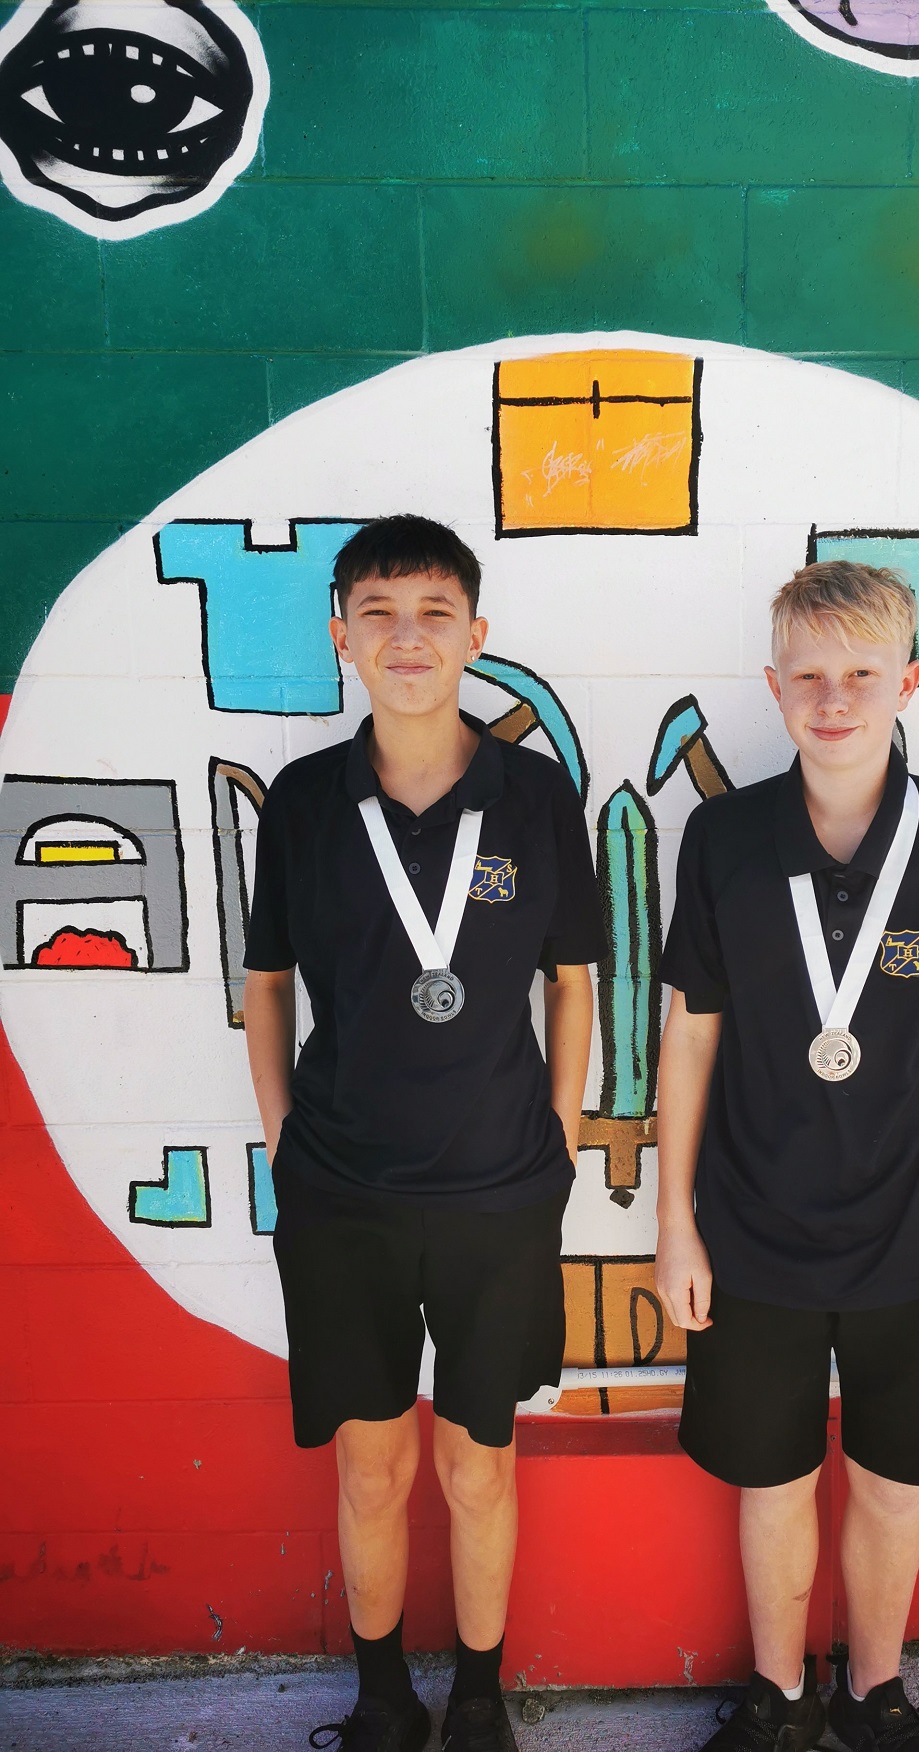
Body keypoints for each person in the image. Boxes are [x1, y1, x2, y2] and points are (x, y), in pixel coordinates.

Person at [656, 560, 919, 1752]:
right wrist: (675, 1221)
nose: (835, 700)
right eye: (810, 677)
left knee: (888, 1481)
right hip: (755, 1230)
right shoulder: (720, 838)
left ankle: (874, 1694)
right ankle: (776, 1697)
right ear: (775, 689)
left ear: (909, 682)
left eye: (862, 674)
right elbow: (690, 1036)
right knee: (771, 1481)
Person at [243, 515, 604, 1752]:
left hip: (501, 1192)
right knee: (370, 1468)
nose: (409, 637)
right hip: (341, 1195)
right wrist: (287, 1138)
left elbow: (573, 982)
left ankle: (484, 1700)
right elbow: (267, 982)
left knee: (478, 1464)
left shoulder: (538, 795)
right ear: (341, 634)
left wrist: (556, 1139)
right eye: (380, 611)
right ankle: (385, 1698)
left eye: (435, 612)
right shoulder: (300, 801)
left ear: (476, 637)